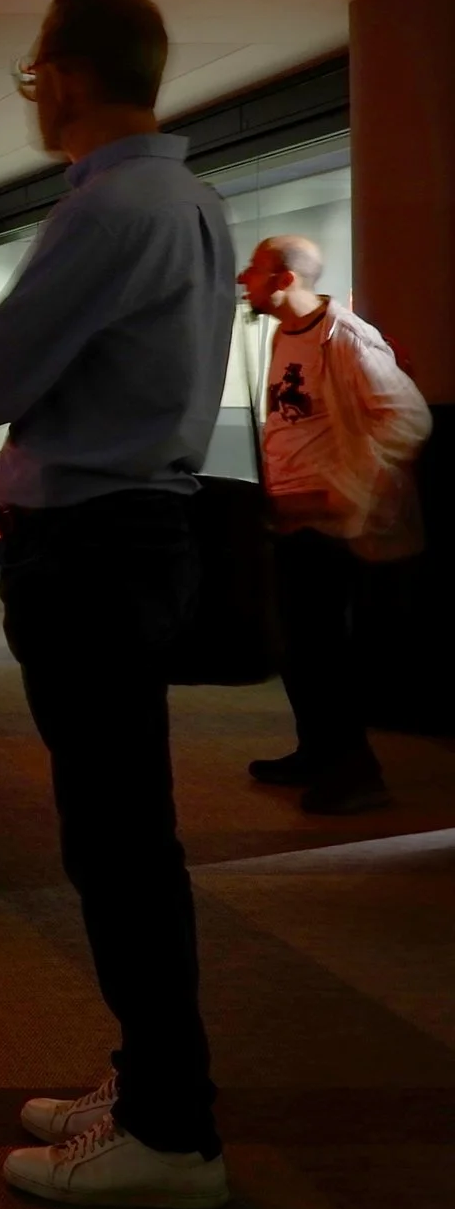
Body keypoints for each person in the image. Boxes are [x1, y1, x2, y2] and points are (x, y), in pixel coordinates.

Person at [0, 0, 234, 1209]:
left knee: (116, 845)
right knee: (125, 837)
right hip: (140, 535)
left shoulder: (112, 208)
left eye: (33, 78)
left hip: (94, 549)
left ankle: (171, 1134)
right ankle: (152, 1084)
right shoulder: (192, 197)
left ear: (55, 77)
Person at [236, 234, 432, 815]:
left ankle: (356, 773)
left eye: (255, 269)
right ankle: (317, 751)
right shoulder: (284, 333)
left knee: (326, 652)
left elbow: (406, 417)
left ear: (284, 279)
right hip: (294, 520)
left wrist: (341, 493)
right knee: (300, 648)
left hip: (331, 525)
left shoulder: (343, 336)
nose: (244, 279)